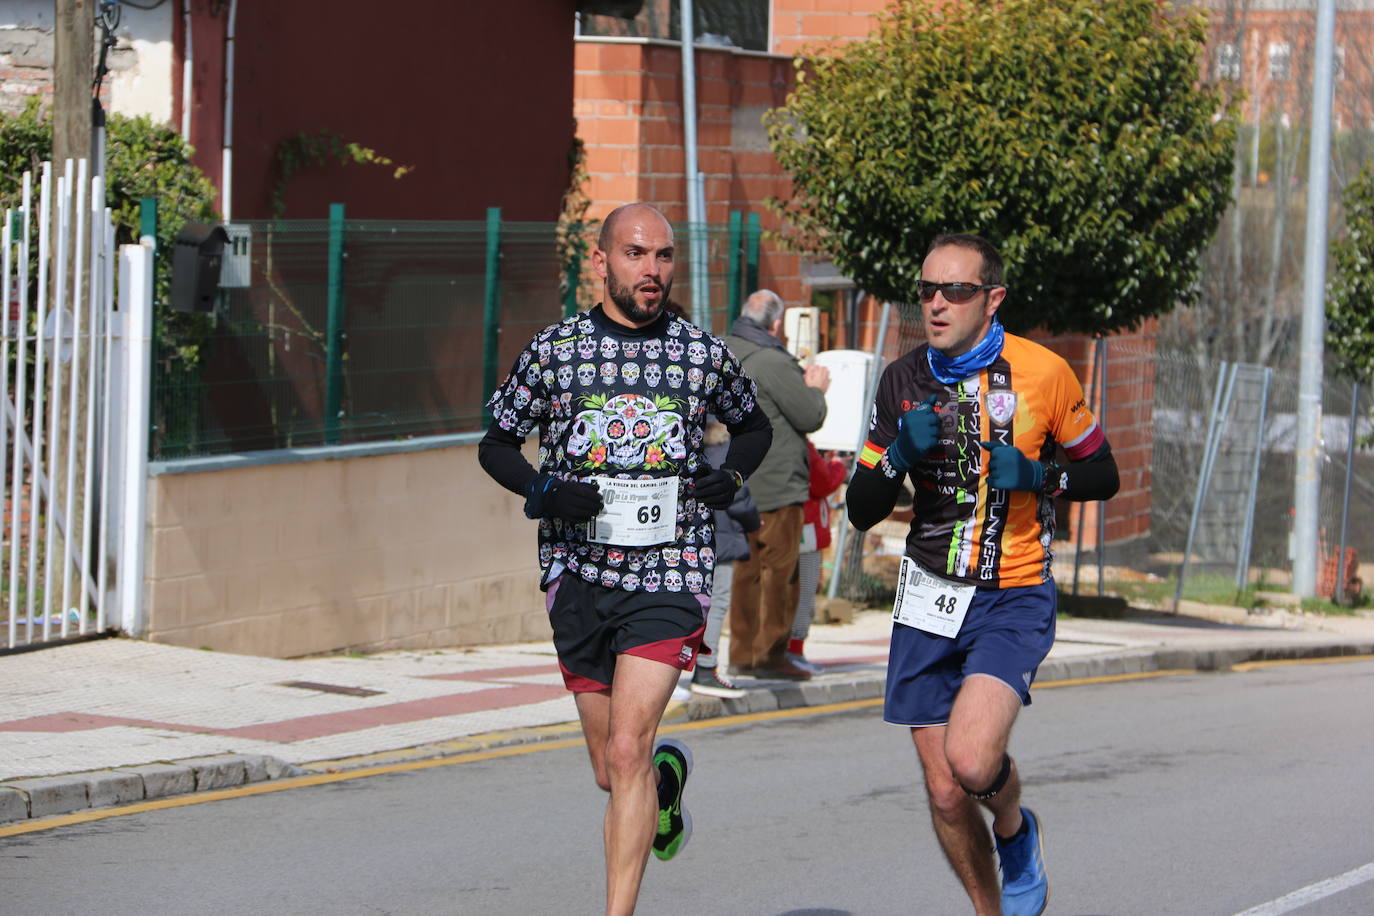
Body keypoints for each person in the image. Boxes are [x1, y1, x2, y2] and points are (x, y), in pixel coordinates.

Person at [478, 203, 772, 915]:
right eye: (637, 254)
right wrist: (545, 489)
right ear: (602, 260)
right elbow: (496, 444)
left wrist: (728, 476)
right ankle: (663, 786)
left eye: (664, 256)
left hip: (670, 569)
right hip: (577, 573)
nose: (653, 270)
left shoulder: (701, 353)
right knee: (614, 768)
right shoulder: (555, 351)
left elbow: (754, 427)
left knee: (626, 750)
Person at [845, 234, 1119, 916]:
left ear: (992, 298)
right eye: (928, 291)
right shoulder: (901, 380)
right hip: (928, 596)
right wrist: (894, 458)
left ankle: (1015, 831)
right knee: (942, 791)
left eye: (956, 291)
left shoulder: (1046, 374)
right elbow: (860, 508)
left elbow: (1104, 473)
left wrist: (1041, 475)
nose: (937, 305)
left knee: (970, 762)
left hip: (1012, 592)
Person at [724, 290, 830, 680]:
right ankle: (770, 656)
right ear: (774, 324)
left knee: (745, 573)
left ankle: (741, 654)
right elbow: (810, 414)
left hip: (739, 481)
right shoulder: (772, 361)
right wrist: (817, 386)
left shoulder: (726, 349)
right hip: (777, 484)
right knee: (781, 573)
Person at [694, 417, 761, 698]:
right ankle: (707, 669)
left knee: (692, 605)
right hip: (723, 540)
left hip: (693, 540)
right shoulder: (726, 456)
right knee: (717, 603)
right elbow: (739, 498)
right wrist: (754, 522)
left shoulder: (690, 453)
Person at [786, 441, 848, 674]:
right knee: (805, 592)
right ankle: (795, 650)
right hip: (806, 528)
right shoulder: (803, 445)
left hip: (778, 525)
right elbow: (824, 483)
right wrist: (837, 466)